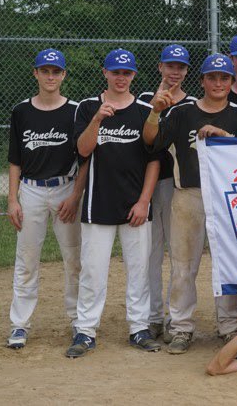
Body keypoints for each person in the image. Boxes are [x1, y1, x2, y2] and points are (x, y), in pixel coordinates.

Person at [143, 53, 237, 354]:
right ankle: (180, 327)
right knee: (183, 265)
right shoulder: (183, 112)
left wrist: (223, 135)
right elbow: (151, 141)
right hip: (188, 194)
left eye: (224, 77)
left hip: (228, 198)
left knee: (227, 264)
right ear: (202, 80)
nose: (218, 82)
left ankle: (229, 326)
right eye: (212, 77)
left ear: (231, 82)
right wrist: (154, 112)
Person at [66, 49, 161, 357]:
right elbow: (82, 150)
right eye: (116, 72)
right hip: (98, 203)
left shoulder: (145, 110)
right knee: (93, 270)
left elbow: (154, 160)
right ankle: (85, 330)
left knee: (139, 269)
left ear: (134, 76)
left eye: (127, 73)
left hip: (135, 204)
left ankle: (139, 328)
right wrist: (97, 119)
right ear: (105, 73)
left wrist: (144, 201)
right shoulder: (88, 107)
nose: (121, 78)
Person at [5, 49, 87, 349]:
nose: (50, 76)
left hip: (65, 188)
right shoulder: (21, 111)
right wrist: (12, 200)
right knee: (27, 260)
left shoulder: (76, 111)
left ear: (64, 75)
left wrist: (76, 195)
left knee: (74, 259)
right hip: (31, 190)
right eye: (45, 70)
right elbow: (15, 160)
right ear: (35, 73)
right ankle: (19, 324)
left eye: (56, 71)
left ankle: (79, 320)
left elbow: (85, 158)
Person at [138, 44, 196, 341]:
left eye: (180, 66)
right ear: (160, 67)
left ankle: (176, 318)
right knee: (151, 252)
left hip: (178, 187)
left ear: (187, 71)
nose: (175, 71)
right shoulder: (144, 100)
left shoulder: (193, 104)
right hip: (150, 184)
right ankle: (152, 316)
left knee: (178, 254)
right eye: (170, 65)